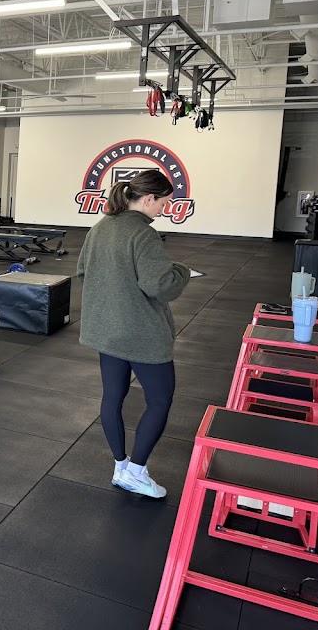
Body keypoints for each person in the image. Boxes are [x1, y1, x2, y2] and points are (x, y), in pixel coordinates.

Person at [76, 169, 190, 499]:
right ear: (149, 198)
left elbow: (83, 272)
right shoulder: (143, 234)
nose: (163, 210)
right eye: (163, 203)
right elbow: (161, 286)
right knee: (160, 400)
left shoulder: (100, 228)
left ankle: (121, 466)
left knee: (112, 397)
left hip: (108, 332)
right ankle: (136, 473)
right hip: (142, 335)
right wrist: (182, 271)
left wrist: (116, 292)